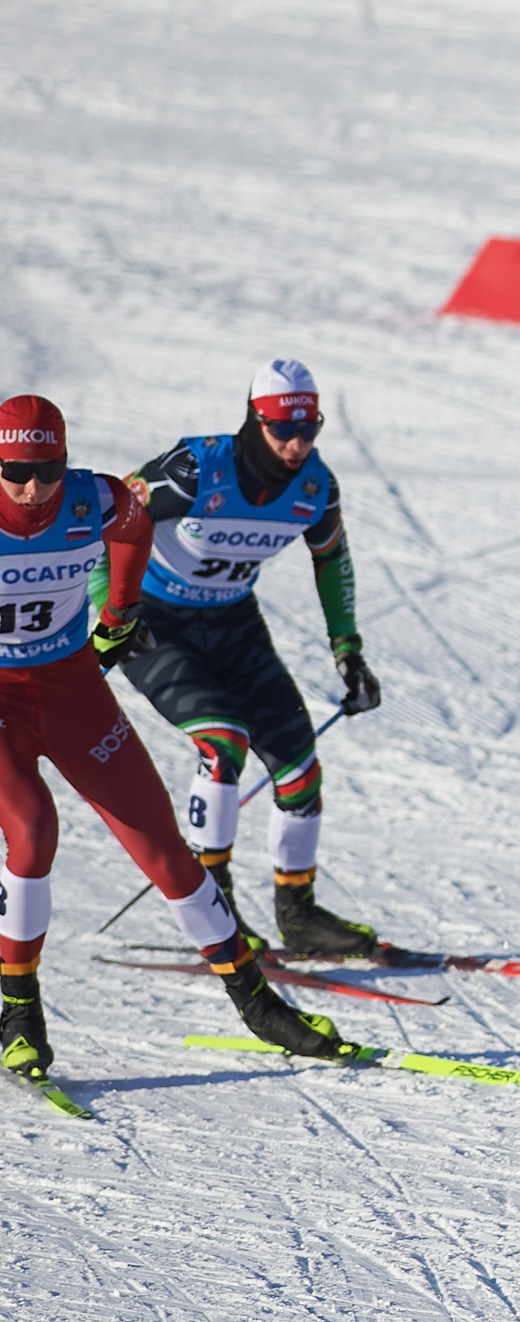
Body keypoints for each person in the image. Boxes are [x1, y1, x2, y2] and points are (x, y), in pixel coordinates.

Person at [0, 394, 359, 1079]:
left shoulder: (91, 498)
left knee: (165, 851)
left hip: (71, 689)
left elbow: (134, 524)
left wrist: (121, 610)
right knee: (33, 828)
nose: (33, 487)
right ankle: (19, 1010)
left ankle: (257, 1002)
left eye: (48, 468)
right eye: (15, 470)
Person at [118, 358, 384, 955]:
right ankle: (216, 908)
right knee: (223, 739)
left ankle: (299, 914)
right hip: (157, 623)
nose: (296, 444)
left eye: (308, 429)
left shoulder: (316, 487)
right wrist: (114, 612)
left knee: (299, 765)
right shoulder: (195, 470)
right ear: (252, 419)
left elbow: (332, 559)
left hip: (235, 623)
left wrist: (348, 647)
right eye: (282, 429)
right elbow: (108, 520)